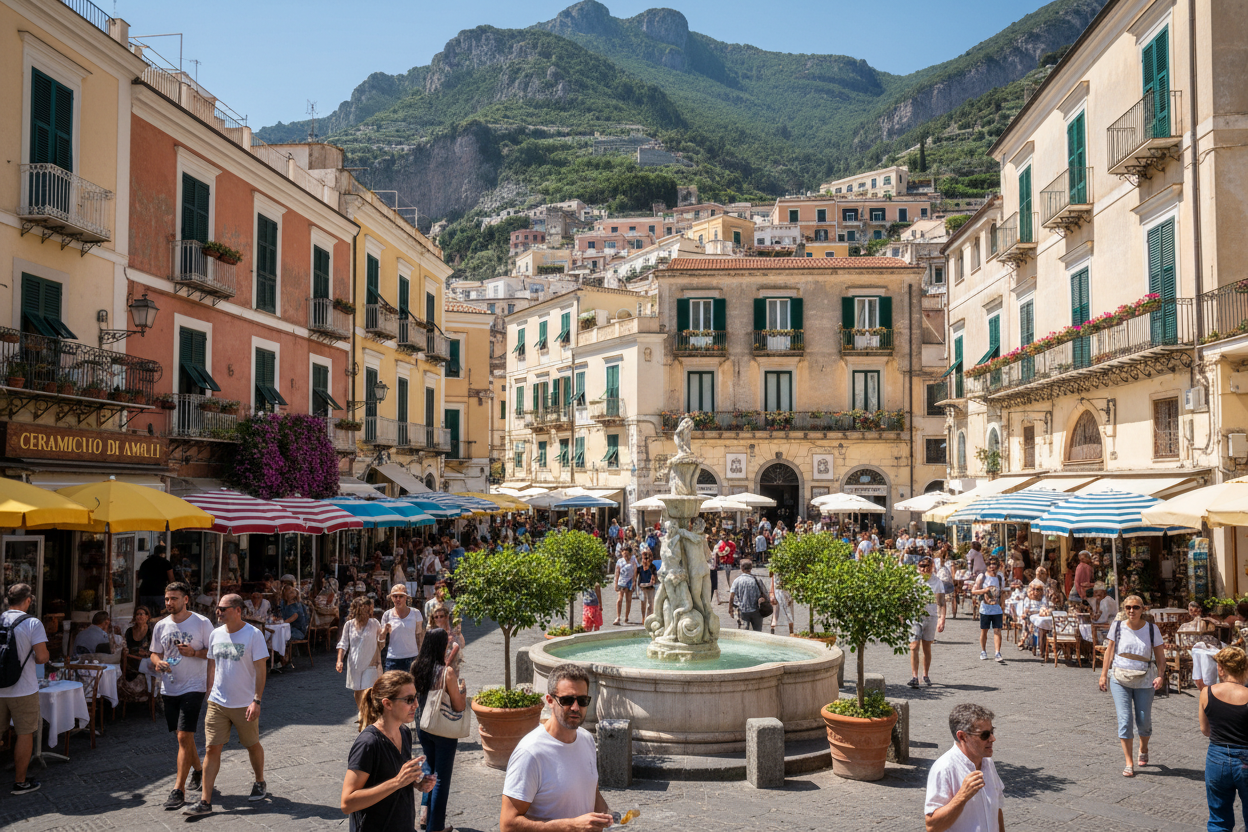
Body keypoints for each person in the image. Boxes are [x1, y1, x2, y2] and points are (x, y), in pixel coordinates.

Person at [185, 594, 269, 816]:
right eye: (217, 608)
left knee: (252, 745)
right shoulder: (215, 634)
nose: (218, 612)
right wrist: (209, 690)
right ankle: (205, 802)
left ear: (238, 610)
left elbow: (261, 669)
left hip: (244, 703)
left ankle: (260, 780)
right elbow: (212, 664)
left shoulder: (254, 635)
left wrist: (256, 700)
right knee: (212, 749)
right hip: (218, 702)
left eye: (223, 608)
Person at [500, 664, 611, 832]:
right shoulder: (530, 753)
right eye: (567, 700)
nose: (575, 707)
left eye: (582, 700)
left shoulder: (586, 740)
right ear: (550, 701)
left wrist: (607, 814)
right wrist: (572, 826)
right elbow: (508, 825)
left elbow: (591, 792)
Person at [341, 670, 435, 832]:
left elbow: (390, 777)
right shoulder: (368, 743)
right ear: (388, 704)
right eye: (409, 700)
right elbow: (347, 803)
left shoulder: (404, 732)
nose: (416, 705)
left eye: (416, 697)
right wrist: (398, 781)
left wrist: (416, 782)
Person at [150, 581, 214, 810]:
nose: (169, 603)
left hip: (194, 686)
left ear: (186, 599)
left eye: (174, 598)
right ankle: (198, 771)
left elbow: (214, 652)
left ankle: (178, 789)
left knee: (182, 737)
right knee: (183, 737)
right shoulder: (161, 626)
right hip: (169, 687)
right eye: (167, 599)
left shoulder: (202, 623)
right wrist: (159, 663)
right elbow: (154, 653)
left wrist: (195, 652)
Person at [1098, 595, 1166, 778]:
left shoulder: (1152, 629)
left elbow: (1160, 656)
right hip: (1120, 677)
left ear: (1142, 609)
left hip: (1145, 679)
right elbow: (1109, 651)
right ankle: (1129, 762)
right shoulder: (1118, 626)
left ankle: (1143, 747)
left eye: (1135, 607)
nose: (1131, 611)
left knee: (1143, 721)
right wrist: (1104, 675)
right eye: (1128, 607)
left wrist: (1161, 676)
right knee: (1125, 719)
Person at [412, 628, 467, 832]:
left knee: (429, 771)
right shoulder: (447, 672)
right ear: (441, 646)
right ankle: (435, 828)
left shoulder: (416, 667)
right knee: (441, 778)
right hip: (442, 729)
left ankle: (426, 818)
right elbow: (458, 705)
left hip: (423, 726)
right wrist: (462, 692)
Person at [0, 583, 50, 795]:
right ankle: (20, 782)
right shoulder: (33, 623)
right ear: (28, 600)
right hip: (23, 688)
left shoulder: (0, 619)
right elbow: (41, 657)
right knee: (24, 733)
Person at [924, 703, 1004, 832]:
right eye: (984, 735)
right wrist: (962, 796)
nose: (992, 738)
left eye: (992, 731)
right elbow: (932, 826)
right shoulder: (944, 768)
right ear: (962, 736)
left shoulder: (987, 762)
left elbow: (996, 808)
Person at [1200, 647, 1248, 831]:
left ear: (1221, 669)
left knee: (1218, 819)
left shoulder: (1207, 692)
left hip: (1217, 757)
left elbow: (1205, 730)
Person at [338, 597, 385, 710]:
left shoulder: (374, 623)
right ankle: (362, 713)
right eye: (363, 610)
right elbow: (343, 643)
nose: (366, 613)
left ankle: (368, 714)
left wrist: (384, 633)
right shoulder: (349, 625)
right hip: (354, 662)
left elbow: (381, 643)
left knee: (369, 690)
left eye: (368, 610)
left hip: (371, 662)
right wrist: (339, 660)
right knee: (358, 691)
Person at [909, 556, 947, 688]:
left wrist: (942, 619)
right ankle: (914, 676)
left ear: (932, 567)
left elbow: (941, 602)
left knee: (926, 647)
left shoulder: (937, 582)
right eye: (921, 566)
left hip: (931, 616)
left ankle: (925, 674)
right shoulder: (914, 581)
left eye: (927, 566)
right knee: (914, 646)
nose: (924, 569)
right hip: (916, 616)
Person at [381, 585, 424, 674]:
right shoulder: (387, 615)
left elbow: (419, 636)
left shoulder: (416, 613)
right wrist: (384, 631)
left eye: (401, 596)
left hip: (412, 657)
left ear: (406, 598)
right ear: (391, 598)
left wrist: (421, 657)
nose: (398, 599)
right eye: (395, 596)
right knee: (392, 687)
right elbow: (381, 641)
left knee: (411, 686)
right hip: (393, 658)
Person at [972, 557, 1006, 663]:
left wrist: (1003, 607)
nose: (992, 566)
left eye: (994, 564)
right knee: (984, 631)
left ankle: (997, 652)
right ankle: (983, 651)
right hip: (985, 608)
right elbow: (974, 591)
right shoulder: (982, 577)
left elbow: (1003, 593)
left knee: (997, 630)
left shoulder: (1000, 577)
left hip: (997, 608)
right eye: (990, 564)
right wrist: (984, 590)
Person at [271, 584, 309, 674]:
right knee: (276, 634)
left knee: (281, 635)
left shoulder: (297, 605)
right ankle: (278, 659)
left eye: (292, 592)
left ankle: (284, 660)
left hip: (297, 630)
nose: (290, 594)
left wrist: (281, 622)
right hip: (287, 628)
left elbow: (293, 617)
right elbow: (280, 615)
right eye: (288, 593)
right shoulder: (283, 604)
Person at [729, 559, 766, 632]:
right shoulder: (757, 580)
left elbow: (732, 596)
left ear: (741, 568)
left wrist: (730, 609)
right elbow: (764, 595)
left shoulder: (737, 581)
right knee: (757, 634)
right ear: (751, 568)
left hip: (743, 611)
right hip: (756, 611)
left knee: (743, 634)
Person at [138, 544, 175, 614]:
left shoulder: (145, 562)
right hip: (159, 592)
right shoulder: (166, 563)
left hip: (145, 592)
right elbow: (171, 579)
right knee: (164, 613)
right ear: (163, 553)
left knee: (145, 614)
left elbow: (139, 577)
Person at [613, 547, 639, 626]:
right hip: (622, 581)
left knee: (628, 599)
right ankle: (618, 617)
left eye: (627, 554)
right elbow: (617, 573)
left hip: (630, 581)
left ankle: (626, 617)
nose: (625, 556)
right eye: (624, 554)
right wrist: (616, 583)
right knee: (620, 599)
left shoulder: (633, 560)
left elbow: (636, 570)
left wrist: (634, 581)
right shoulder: (620, 561)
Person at [770, 568, 795, 635]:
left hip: (782, 591)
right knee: (787, 613)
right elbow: (773, 578)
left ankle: (774, 630)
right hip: (781, 591)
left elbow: (772, 578)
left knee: (780, 612)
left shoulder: (775, 564)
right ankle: (790, 632)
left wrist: (772, 592)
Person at [636, 552, 657, 621]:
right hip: (642, 588)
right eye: (644, 559)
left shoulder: (652, 567)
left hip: (650, 588)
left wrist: (652, 581)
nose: (646, 560)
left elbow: (653, 578)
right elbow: (635, 578)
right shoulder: (639, 568)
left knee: (650, 603)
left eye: (647, 558)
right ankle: (643, 617)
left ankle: (649, 617)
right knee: (643, 603)